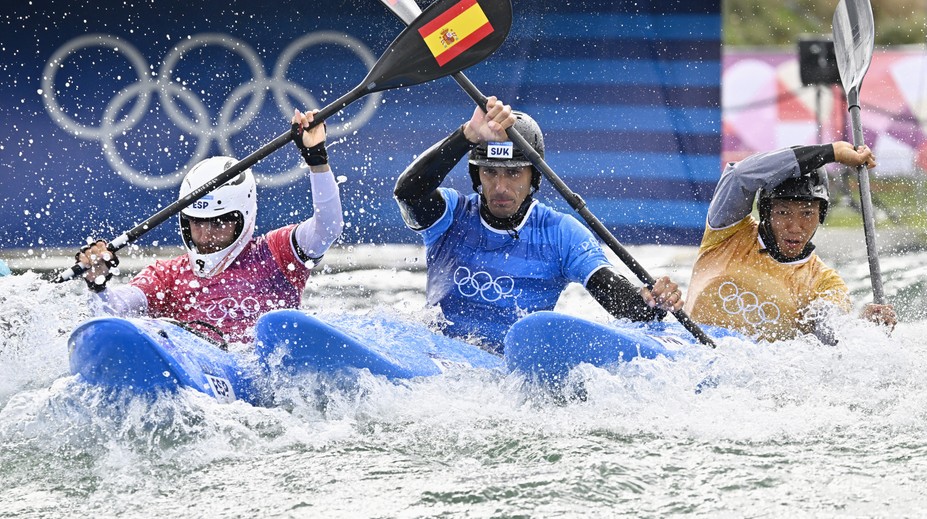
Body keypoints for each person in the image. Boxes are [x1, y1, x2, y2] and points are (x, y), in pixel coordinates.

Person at [393, 97, 685, 353]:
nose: (500, 187)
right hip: (436, 360)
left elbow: (617, 300)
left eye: (514, 173)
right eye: (490, 173)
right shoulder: (451, 214)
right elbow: (407, 193)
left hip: (504, 373)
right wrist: (467, 135)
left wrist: (649, 302)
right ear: (476, 175)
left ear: (534, 178)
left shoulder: (561, 233)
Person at [76, 109, 344, 344]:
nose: (205, 235)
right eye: (196, 222)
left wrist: (316, 159)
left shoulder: (276, 253)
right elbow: (112, 311)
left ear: (243, 216)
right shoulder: (167, 275)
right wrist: (98, 284)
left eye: (218, 223)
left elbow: (328, 227)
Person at [684, 141, 896, 343]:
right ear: (766, 212)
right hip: (689, 353)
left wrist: (861, 331)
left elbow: (831, 333)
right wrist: (832, 152)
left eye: (807, 213)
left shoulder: (823, 282)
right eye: (784, 212)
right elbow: (740, 175)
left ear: (821, 215)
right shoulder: (727, 232)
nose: (795, 227)